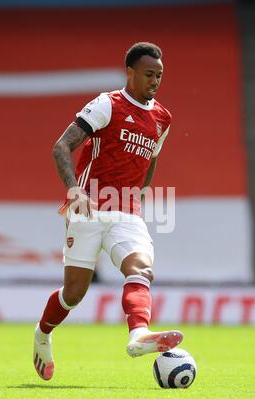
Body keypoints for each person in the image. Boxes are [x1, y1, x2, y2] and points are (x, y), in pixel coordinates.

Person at [33, 42, 183, 381]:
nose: (155, 81)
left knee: (141, 269)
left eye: (159, 75)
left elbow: (151, 162)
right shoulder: (107, 104)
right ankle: (42, 334)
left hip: (127, 211)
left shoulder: (163, 118)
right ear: (129, 73)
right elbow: (62, 146)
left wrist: (136, 198)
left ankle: (139, 335)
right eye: (148, 74)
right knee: (73, 294)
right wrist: (74, 190)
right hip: (88, 207)